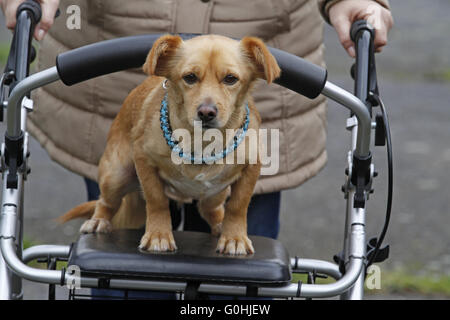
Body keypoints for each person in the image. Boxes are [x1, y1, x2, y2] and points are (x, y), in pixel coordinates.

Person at [1, 0, 393, 299]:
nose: (209, 102)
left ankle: (222, 214)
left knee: (239, 290)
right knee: (127, 279)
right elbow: (142, 150)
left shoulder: (252, 109)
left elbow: (252, 160)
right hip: (108, 60)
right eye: (191, 80)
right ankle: (109, 208)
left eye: (227, 82)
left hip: (274, 47)